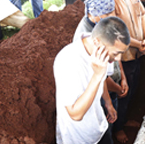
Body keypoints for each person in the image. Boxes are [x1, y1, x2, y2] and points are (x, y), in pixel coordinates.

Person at [54, 16, 130, 144]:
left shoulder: (102, 50)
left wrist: (108, 103)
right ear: (97, 42)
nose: (118, 59)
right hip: (78, 137)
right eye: (116, 53)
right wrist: (97, 75)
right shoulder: (67, 61)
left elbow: (103, 79)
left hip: (99, 127)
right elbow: (75, 114)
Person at [73, 0, 128, 144]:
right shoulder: (86, 37)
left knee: (111, 120)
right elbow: (99, 76)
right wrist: (116, 90)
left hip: (112, 87)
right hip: (99, 95)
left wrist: (123, 77)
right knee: (104, 132)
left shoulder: (103, 26)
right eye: (108, 16)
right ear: (96, 14)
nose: (112, 19)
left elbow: (117, 53)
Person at [105, 0, 145, 144]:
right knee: (123, 93)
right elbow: (114, 31)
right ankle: (118, 129)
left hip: (137, 53)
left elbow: (143, 14)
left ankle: (124, 120)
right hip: (122, 57)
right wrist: (140, 44)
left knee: (133, 89)